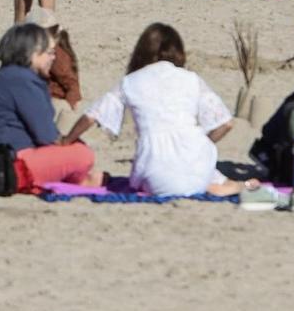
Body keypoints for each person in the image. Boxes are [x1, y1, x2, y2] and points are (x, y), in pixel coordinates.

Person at [60, 23, 240, 197]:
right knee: (207, 178)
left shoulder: (131, 82)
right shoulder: (191, 79)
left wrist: (67, 140)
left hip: (153, 169)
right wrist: (202, 144)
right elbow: (226, 123)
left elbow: (92, 116)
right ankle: (233, 186)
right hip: (196, 162)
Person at [0, 22, 100, 191]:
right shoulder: (23, 80)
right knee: (83, 154)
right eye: (49, 53)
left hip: (0, 154)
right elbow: (46, 135)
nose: (53, 58)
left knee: (76, 149)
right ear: (32, 54)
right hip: (12, 159)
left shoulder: (10, 74)